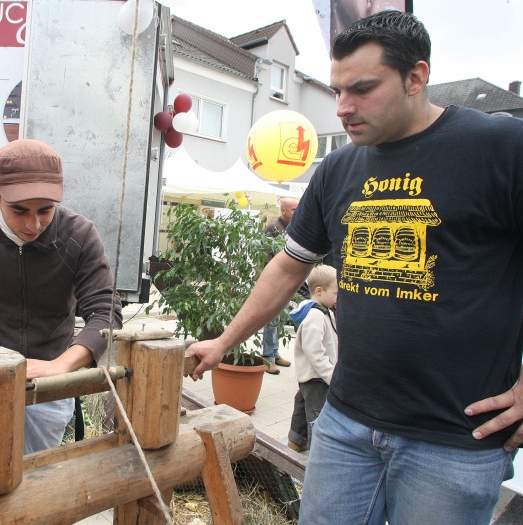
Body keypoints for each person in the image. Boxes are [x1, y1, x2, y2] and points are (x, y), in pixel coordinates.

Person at [186, 10, 523, 524]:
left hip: (454, 437)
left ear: (416, 77)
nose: (343, 107)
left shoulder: (500, 148)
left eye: (362, 89)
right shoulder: (339, 168)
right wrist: (223, 342)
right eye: (338, 90)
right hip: (346, 422)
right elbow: (288, 267)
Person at [0, 138, 123, 454]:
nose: (34, 225)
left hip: (49, 384)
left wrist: (61, 366)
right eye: (19, 211)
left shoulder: (79, 235)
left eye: (46, 210)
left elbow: (105, 312)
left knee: (33, 470)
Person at [286, 264, 338, 453]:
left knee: (302, 406)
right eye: (336, 293)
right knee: (317, 415)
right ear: (319, 291)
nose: (338, 297)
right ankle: (318, 451)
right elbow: (314, 351)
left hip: (312, 376)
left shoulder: (325, 311)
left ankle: (296, 441)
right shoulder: (315, 316)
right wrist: (330, 375)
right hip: (317, 377)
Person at [261, 197, 298, 374]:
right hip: (274, 281)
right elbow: (267, 256)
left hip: (286, 280)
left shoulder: (291, 228)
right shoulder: (273, 228)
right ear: (283, 210)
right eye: (294, 209)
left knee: (279, 319)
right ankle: (267, 356)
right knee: (271, 319)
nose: (297, 212)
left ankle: (274, 353)